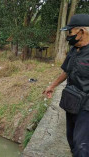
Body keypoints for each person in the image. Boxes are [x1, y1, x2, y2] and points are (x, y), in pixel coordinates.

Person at [43, 14, 89, 157]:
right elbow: (67, 71)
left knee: (82, 147)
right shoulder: (74, 50)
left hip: (86, 108)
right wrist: (52, 85)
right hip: (72, 102)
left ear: (82, 32)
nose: (68, 35)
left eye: (70, 31)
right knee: (72, 141)